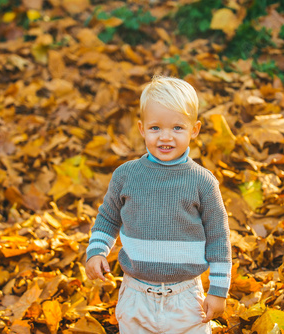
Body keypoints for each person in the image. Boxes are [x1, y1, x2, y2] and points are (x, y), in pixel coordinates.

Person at [85, 75, 232, 334]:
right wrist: (97, 252)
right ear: (142, 129)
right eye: (155, 128)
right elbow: (108, 218)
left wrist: (218, 291)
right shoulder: (126, 175)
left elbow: (219, 237)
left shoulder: (202, 182)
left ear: (194, 130)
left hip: (186, 297)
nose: (166, 137)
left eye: (177, 128)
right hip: (136, 294)